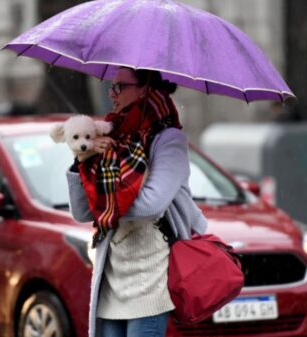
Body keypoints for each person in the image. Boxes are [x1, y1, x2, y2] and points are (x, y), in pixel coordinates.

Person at [66, 67, 208, 337]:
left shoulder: (169, 141)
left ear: (144, 89)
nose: (111, 93)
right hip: (112, 283)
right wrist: (80, 163)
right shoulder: (111, 139)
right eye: (111, 86)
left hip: (148, 283)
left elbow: (151, 205)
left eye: (119, 87)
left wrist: (105, 196)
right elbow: (82, 211)